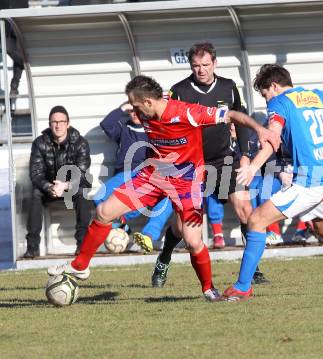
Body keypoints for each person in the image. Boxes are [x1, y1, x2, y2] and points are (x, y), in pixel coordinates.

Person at [47, 75, 279, 302]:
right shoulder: (145, 110)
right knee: (104, 212)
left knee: (192, 240)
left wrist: (260, 130)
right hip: (153, 176)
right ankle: (80, 266)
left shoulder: (186, 112)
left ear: (148, 102)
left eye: (136, 105)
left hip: (187, 182)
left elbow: (232, 114)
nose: (133, 112)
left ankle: (209, 290)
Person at [222, 54, 323, 301]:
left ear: (274, 87)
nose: (267, 101)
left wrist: (254, 166)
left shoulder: (280, 103)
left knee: (256, 220)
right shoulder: (316, 96)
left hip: (309, 182)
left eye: (266, 94)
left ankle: (243, 286)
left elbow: (272, 138)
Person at [144, 42, 269, 287]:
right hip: (191, 165)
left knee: (245, 210)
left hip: (225, 158)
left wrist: (244, 154)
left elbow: (240, 119)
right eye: (196, 66)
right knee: (183, 227)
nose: (201, 70)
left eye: (205, 65)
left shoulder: (228, 87)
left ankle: (252, 268)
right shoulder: (179, 91)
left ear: (215, 63)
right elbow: (166, 125)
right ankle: (164, 257)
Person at [94, 102, 173, 250]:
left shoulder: (155, 129)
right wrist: (123, 107)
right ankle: (119, 224)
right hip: (124, 174)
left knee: (168, 196)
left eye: (139, 110)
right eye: (132, 110)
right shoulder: (124, 128)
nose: (136, 114)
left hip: (145, 175)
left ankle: (148, 235)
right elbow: (106, 124)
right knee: (100, 197)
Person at [25, 106, 91, 258]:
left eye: (62, 121)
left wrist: (65, 185)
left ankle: (82, 246)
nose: (58, 125)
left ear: (68, 124)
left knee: (83, 192)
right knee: (35, 193)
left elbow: (82, 173)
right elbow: (36, 173)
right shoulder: (39, 143)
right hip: (49, 188)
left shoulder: (81, 143)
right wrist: (49, 187)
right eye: (54, 122)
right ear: (49, 124)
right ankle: (32, 247)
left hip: (72, 187)